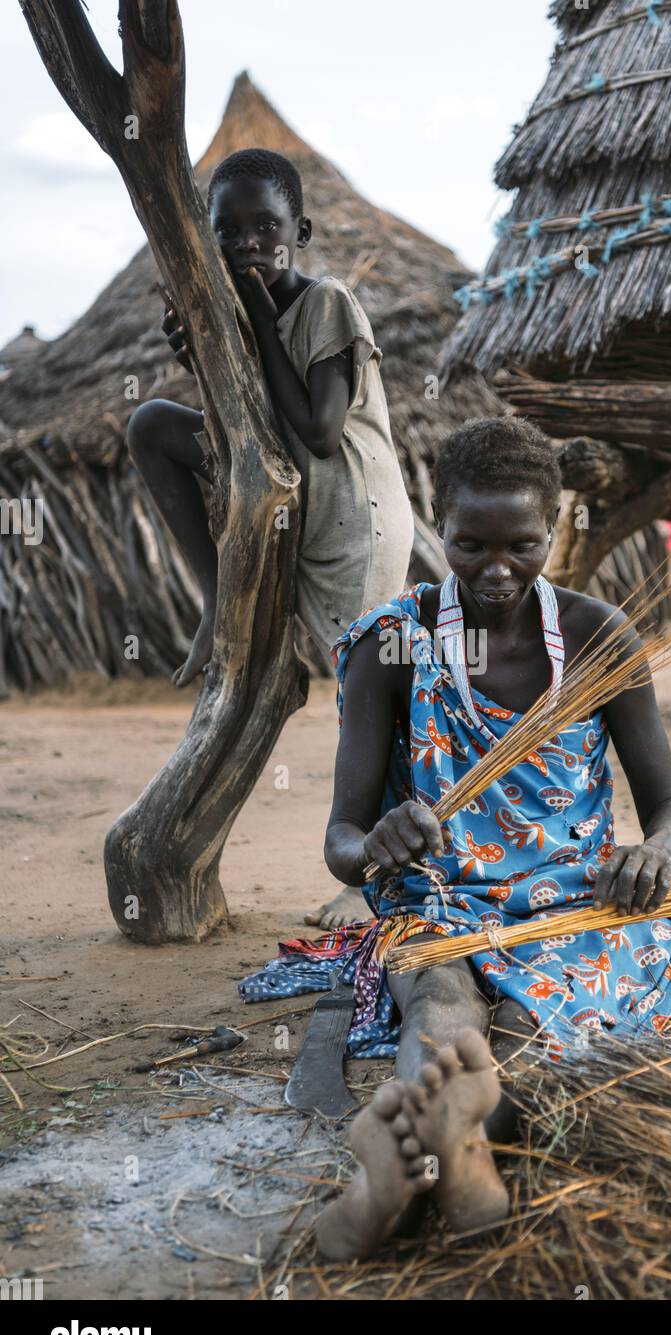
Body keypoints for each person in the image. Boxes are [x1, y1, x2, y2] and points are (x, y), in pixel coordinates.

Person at [239, 415, 671, 1260]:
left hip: (577, 896)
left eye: (522, 546)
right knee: (439, 996)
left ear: (554, 528)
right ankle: (450, 1147)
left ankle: (426, 1147)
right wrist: (378, 844)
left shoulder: (598, 636)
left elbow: (670, 810)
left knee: (542, 1020)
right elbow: (341, 843)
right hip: (437, 901)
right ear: (438, 525)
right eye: (469, 545)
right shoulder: (393, 644)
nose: (495, 570)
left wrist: (654, 855)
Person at [126, 146, 414, 927]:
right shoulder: (236, 314)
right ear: (207, 239)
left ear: (302, 230)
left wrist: (249, 316)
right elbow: (248, 425)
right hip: (287, 500)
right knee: (151, 424)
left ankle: (368, 879)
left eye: (267, 227)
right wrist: (211, 354)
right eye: (230, 230)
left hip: (354, 514)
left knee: (367, 700)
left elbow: (320, 430)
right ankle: (213, 602)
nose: (248, 242)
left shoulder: (328, 302)